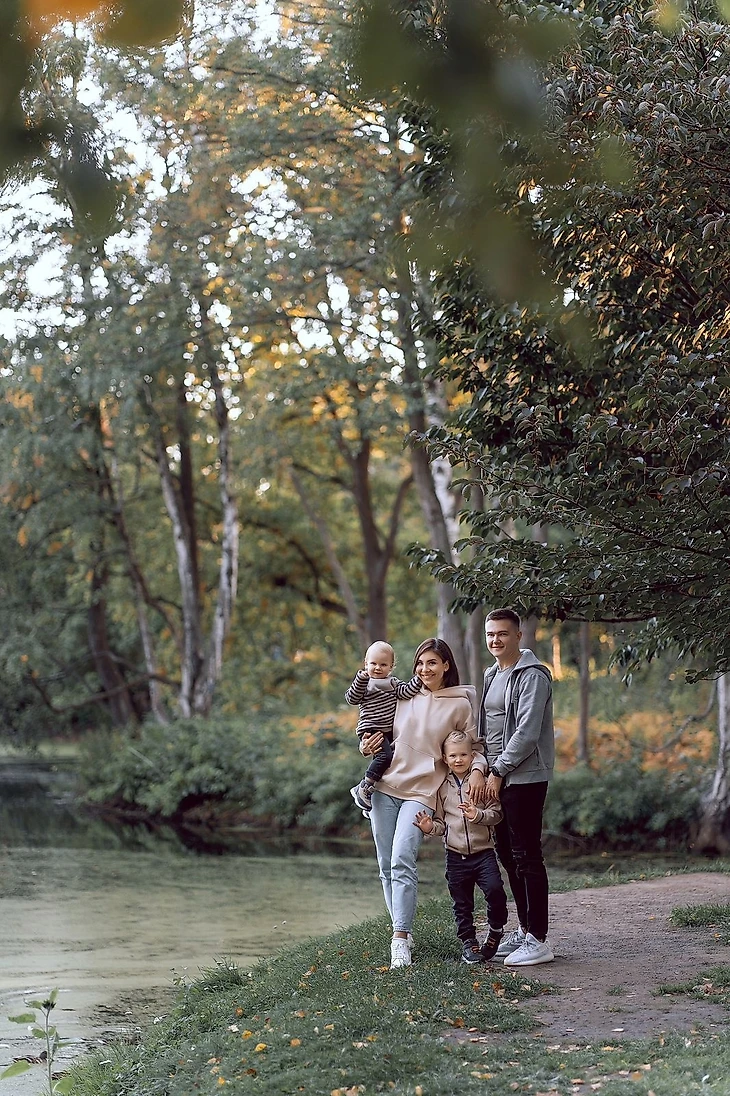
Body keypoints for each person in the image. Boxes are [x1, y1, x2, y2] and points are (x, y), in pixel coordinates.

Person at [360, 637, 488, 969]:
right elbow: (376, 727)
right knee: (385, 865)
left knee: (402, 857)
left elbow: (475, 748)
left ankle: (400, 939)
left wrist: (477, 771)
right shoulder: (403, 694)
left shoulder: (460, 703)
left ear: (446, 665)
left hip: (423, 792)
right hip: (385, 786)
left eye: (432, 662)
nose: (424, 669)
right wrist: (365, 745)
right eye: (419, 663)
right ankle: (400, 926)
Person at [480, 608, 555, 967]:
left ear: (518, 636)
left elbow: (526, 732)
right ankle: (525, 931)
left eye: (502, 634)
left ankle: (539, 939)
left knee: (527, 856)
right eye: (490, 634)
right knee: (508, 855)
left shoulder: (533, 676)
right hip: (496, 774)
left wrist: (498, 770)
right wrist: (483, 768)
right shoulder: (491, 673)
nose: (495, 640)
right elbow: (487, 728)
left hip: (524, 777)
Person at [413, 730, 507, 964]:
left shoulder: (482, 781)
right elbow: (441, 825)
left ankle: (496, 930)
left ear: (472, 756)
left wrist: (478, 815)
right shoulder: (442, 788)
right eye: (453, 755)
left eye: (463, 754)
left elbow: (496, 814)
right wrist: (429, 828)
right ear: (445, 758)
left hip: (484, 853)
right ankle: (468, 942)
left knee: (495, 890)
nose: (458, 760)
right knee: (462, 903)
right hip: (455, 856)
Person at [346, 641, 422, 814]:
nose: (378, 668)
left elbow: (406, 692)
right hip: (371, 729)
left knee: (392, 759)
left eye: (383, 664)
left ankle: (371, 799)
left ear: (391, 667)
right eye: (373, 663)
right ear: (366, 664)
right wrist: (361, 679)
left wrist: (418, 678)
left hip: (388, 730)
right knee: (384, 757)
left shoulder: (393, 683)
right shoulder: (365, 683)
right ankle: (364, 787)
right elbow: (352, 698)